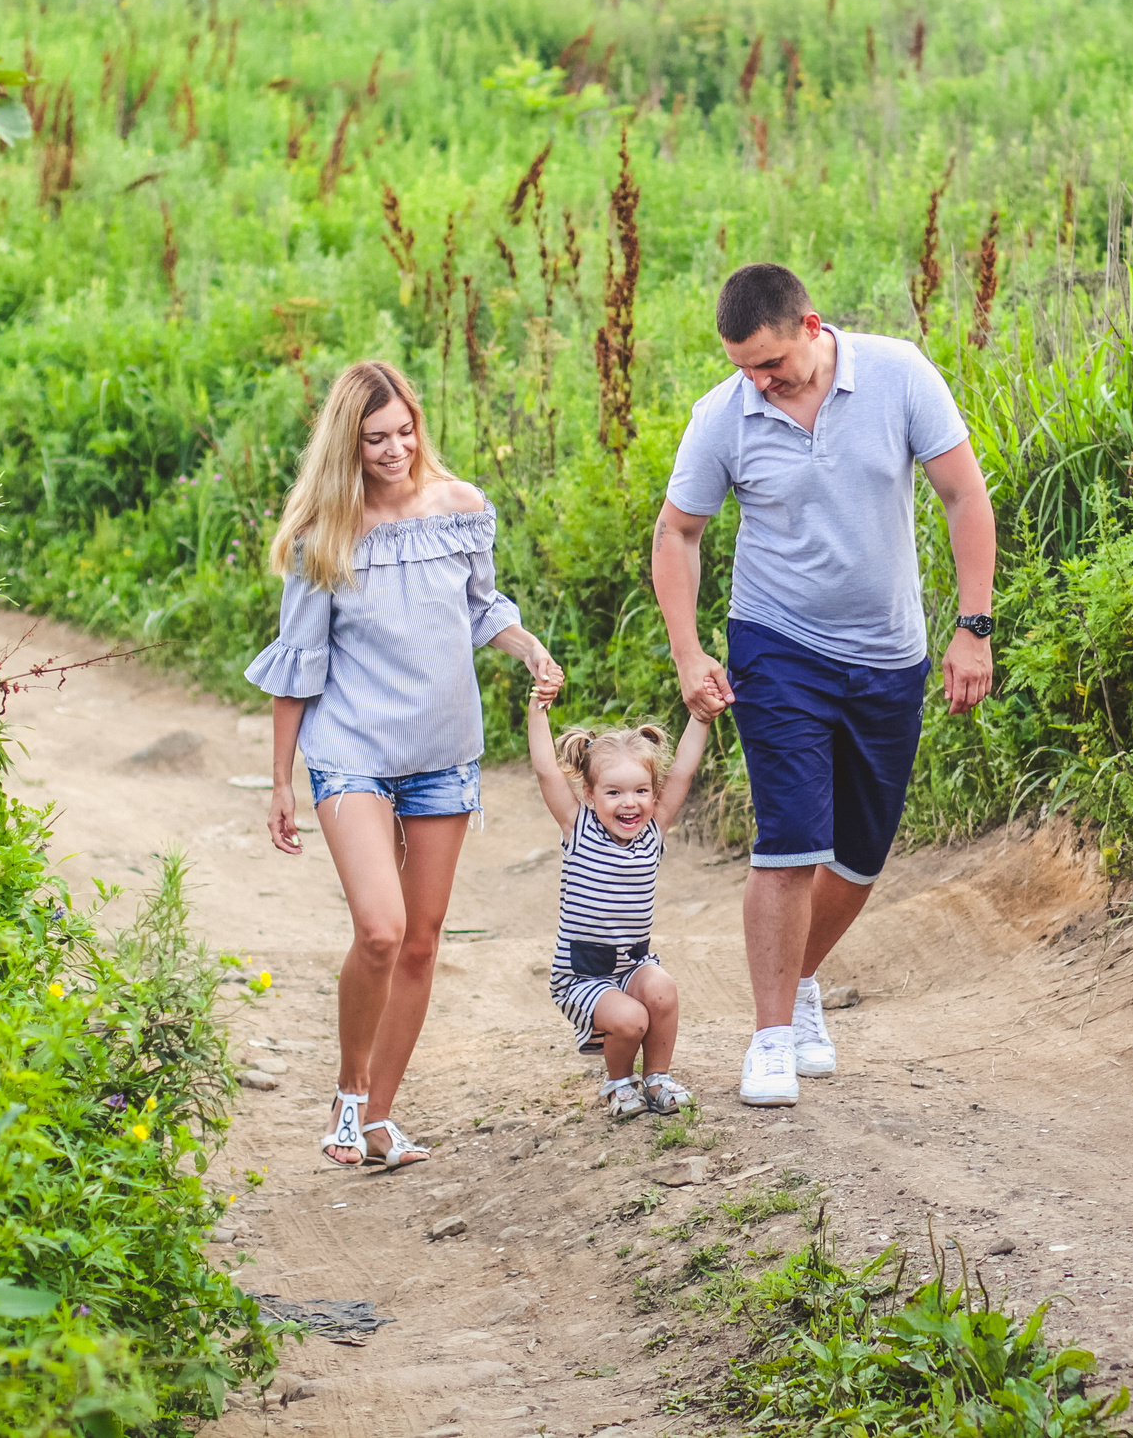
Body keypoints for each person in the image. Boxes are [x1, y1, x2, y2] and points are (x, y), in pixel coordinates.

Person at [652, 263, 997, 1109]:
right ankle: (771, 1037)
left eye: (770, 364)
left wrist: (973, 627)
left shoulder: (898, 373)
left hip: (888, 651)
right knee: (792, 834)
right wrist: (690, 652)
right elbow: (678, 532)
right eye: (743, 367)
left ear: (810, 326)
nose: (758, 381)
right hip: (778, 643)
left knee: (861, 854)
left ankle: (797, 978)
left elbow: (962, 494)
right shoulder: (723, 415)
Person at [246, 360, 563, 1169]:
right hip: (352, 753)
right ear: (347, 444)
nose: (396, 448)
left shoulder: (461, 510)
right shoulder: (326, 538)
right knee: (381, 931)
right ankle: (348, 1097)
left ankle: (380, 1117)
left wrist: (526, 647)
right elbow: (297, 663)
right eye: (376, 437)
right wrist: (282, 781)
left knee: (422, 943)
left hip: (442, 756)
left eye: (405, 430)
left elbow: (482, 606)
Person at [524, 703, 711, 1119]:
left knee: (662, 991)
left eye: (641, 791)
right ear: (590, 795)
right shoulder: (579, 829)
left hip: (632, 964)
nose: (630, 804)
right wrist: (539, 709)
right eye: (614, 792)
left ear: (653, 792)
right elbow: (546, 772)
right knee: (630, 1019)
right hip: (582, 975)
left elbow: (681, 772)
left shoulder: (652, 833)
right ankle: (619, 1082)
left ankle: (658, 1077)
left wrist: (700, 719)